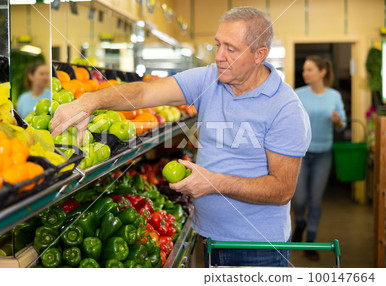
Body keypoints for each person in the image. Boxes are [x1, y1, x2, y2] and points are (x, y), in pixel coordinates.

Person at [51, 7, 311, 267]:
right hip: (208, 235)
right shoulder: (210, 78)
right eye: (217, 44)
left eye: (231, 49)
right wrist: (89, 101)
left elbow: (281, 189)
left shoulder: (285, 108)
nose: (219, 56)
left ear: (259, 55)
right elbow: (144, 94)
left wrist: (213, 182)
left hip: (257, 248)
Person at [292, 56, 346, 261]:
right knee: (299, 199)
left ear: (322, 72)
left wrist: (337, 121)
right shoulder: (297, 94)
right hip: (301, 154)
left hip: (324, 154)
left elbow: (343, 124)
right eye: (304, 70)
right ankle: (300, 223)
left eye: (309, 70)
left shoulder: (333, 96)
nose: (305, 73)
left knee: (315, 200)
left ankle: (310, 241)